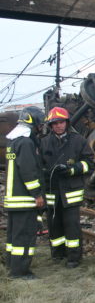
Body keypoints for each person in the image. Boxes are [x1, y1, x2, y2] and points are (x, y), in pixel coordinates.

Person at [40, 106, 94, 269]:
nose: (58, 126)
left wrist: (72, 169)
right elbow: (39, 165)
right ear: (51, 125)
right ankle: (57, 255)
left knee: (72, 227)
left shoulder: (78, 141)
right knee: (54, 226)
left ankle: (74, 258)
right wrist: (46, 172)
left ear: (67, 123)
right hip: (52, 192)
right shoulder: (44, 142)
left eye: (61, 122)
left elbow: (90, 163)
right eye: (55, 123)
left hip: (70, 192)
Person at [3, 106, 46, 279]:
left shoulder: (13, 141)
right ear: (33, 123)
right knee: (25, 237)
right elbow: (28, 172)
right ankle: (20, 272)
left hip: (13, 199)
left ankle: (11, 264)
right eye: (39, 124)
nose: (40, 128)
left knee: (14, 236)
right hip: (25, 200)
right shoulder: (26, 143)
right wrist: (37, 194)